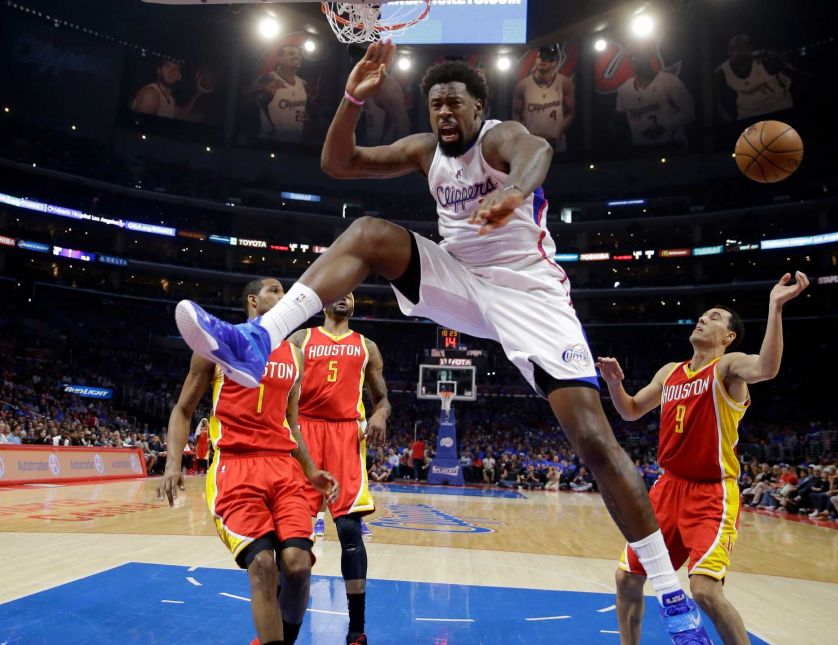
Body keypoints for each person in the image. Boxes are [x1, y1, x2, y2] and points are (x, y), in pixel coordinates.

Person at [174, 40, 707, 643]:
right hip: (460, 280)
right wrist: (352, 95)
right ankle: (259, 337)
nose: (445, 113)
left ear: (480, 108)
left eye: (456, 102)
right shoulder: (426, 150)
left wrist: (515, 192)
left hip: (529, 294)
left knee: (593, 441)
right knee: (370, 233)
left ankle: (671, 595)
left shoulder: (499, 139)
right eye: (436, 105)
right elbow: (338, 163)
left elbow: (537, 149)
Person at [599, 271, 809, 645]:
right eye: (702, 316)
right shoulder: (671, 372)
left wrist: (775, 306)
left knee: (706, 591)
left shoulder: (728, 368)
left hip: (711, 493)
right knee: (626, 577)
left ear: (728, 337)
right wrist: (615, 384)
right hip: (667, 488)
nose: (703, 319)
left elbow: (766, 368)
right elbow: (630, 411)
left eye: (714, 317)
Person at [157, 278, 338, 645]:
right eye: (275, 290)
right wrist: (173, 464)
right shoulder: (216, 344)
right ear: (253, 302)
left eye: (287, 293)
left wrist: (311, 469)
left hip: (283, 468)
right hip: (235, 466)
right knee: (262, 565)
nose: (284, 297)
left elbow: (291, 422)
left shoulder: (296, 355)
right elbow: (182, 409)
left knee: (299, 566)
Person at [288, 293, 391, 645]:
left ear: (355, 304)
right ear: (324, 303)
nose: (344, 297)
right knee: (292, 540)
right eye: (337, 292)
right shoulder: (301, 339)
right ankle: (283, 630)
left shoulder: (367, 346)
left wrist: (379, 414)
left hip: (346, 438)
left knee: (350, 532)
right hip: (303, 435)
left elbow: (383, 400)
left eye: (351, 293)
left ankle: (356, 629)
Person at [615, 40, 694, 151]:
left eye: (638, 55)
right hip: (640, 151)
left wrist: (664, 127)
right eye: (630, 56)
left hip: (671, 148)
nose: (633, 59)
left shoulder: (668, 80)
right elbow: (619, 121)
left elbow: (689, 111)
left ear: (648, 56)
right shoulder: (624, 89)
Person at [713, 34, 799, 122]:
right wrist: (731, 125)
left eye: (741, 48)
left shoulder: (768, 59)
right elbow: (721, 104)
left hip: (779, 109)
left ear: (750, 49)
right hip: (749, 115)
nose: (737, 52)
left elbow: (796, 78)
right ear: (729, 52)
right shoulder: (721, 72)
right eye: (733, 49)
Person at [513, 45, 575, 152]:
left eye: (548, 59)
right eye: (540, 57)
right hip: (531, 141)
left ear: (555, 63)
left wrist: (557, 134)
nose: (543, 61)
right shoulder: (522, 86)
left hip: (556, 142)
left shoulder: (565, 83)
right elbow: (516, 113)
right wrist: (525, 135)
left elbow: (570, 112)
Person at [253, 45, 310, 142]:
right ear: (280, 59)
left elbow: (310, 111)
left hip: (296, 145)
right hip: (270, 144)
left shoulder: (303, 83)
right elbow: (245, 98)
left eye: (299, 54)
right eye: (291, 53)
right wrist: (266, 94)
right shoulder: (268, 78)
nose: (297, 57)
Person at [131, 59, 209, 120]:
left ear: (179, 77)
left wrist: (199, 92)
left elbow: (181, 115)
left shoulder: (169, 98)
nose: (171, 71)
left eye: (176, 69)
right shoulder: (151, 94)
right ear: (159, 71)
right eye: (167, 66)